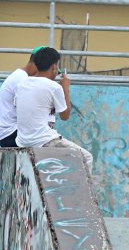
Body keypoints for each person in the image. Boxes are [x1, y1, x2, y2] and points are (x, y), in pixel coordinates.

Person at [13, 47, 94, 179]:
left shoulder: (22, 84)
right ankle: (82, 198)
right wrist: (65, 88)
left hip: (22, 141)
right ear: (54, 67)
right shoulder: (53, 87)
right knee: (86, 157)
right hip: (44, 140)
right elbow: (65, 115)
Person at [0, 46, 42, 148]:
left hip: (9, 133)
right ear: (36, 65)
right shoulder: (22, 79)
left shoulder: (20, 76)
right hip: (11, 134)